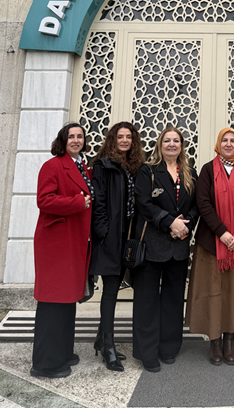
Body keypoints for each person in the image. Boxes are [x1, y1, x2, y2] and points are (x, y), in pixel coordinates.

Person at [186, 128, 234, 366]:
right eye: (224, 140)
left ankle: (230, 340)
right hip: (212, 243)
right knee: (214, 292)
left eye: (233, 140)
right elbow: (203, 203)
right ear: (218, 144)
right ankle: (215, 341)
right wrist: (223, 233)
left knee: (233, 292)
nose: (228, 144)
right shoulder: (208, 169)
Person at [132, 127, 198, 373]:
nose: (171, 144)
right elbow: (143, 203)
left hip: (178, 246)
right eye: (167, 140)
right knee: (147, 301)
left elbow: (197, 206)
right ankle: (147, 352)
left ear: (182, 145)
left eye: (176, 141)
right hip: (151, 246)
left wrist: (184, 226)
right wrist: (170, 223)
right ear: (160, 144)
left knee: (173, 299)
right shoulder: (147, 171)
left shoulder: (190, 173)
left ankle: (169, 347)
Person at [31, 122, 93, 379]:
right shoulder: (53, 165)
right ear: (63, 140)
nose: (76, 140)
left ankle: (63, 352)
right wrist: (78, 202)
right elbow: (44, 200)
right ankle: (45, 364)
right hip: (56, 244)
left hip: (73, 241)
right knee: (53, 302)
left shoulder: (81, 166)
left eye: (80, 136)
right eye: (71, 136)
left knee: (67, 301)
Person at [88, 121, 145, 372]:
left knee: (116, 287)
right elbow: (98, 201)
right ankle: (108, 347)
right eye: (120, 137)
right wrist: (104, 231)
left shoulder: (135, 167)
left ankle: (101, 339)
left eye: (128, 137)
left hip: (128, 238)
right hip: (110, 238)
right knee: (110, 291)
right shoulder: (103, 166)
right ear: (113, 139)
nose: (124, 141)